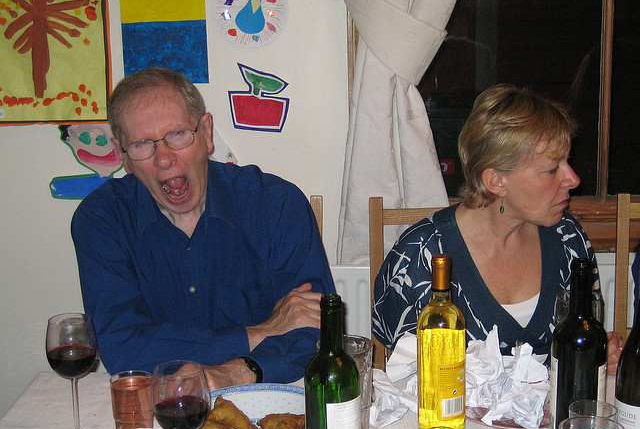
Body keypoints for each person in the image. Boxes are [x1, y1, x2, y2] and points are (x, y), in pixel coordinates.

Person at [71, 67, 335, 389]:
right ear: (122, 155)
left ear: (206, 132)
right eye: (141, 144)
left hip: (267, 397)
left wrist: (234, 372)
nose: (164, 159)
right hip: (158, 403)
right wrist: (261, 332)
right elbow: (123, 349)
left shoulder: (277, 204)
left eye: (177, 134)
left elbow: (315, 332)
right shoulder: (100, 219)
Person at [372, 84, 623, 374]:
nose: (574, 179)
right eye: (552, 169)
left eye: (567, 161)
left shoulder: (569, 239)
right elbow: (403, 377)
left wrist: (601, 356)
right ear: (496, 181)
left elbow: (581, 343)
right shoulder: (419, 257)